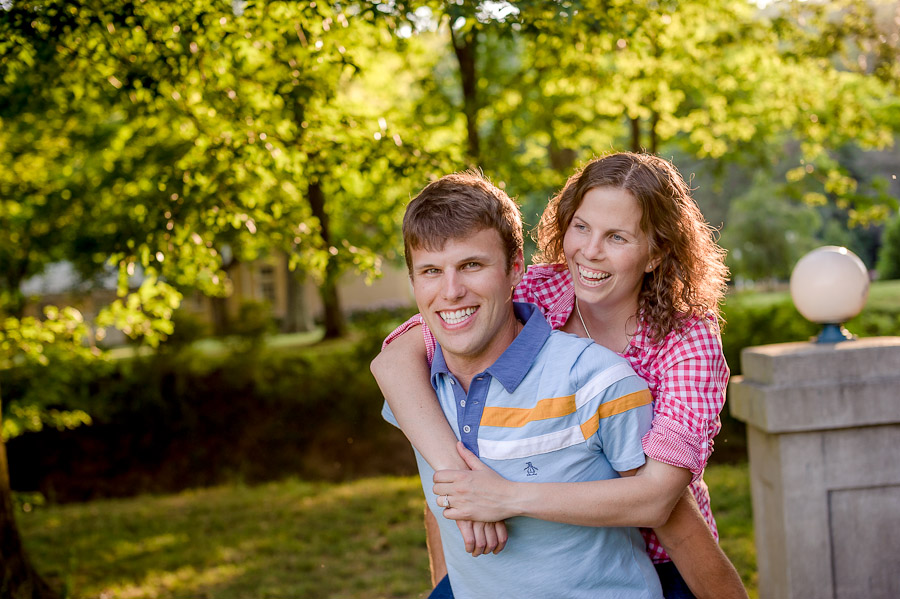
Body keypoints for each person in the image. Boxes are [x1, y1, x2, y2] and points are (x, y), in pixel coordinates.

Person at [371, 153, 747, 599]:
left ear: (656, 252)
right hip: (540, 549)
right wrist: (464, 485)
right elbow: (398, 358)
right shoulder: (539, 288)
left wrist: (503, 498)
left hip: (660, 547)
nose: (590, 251)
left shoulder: (686, 340)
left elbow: (660, 501)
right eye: (581, 227)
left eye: (617, 237)